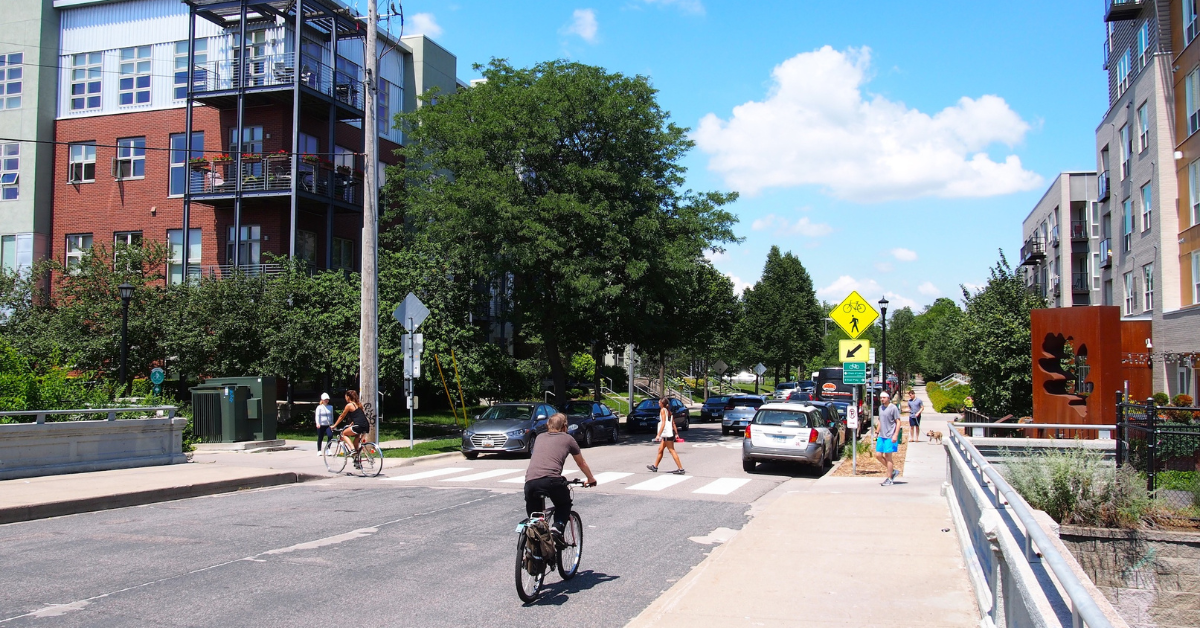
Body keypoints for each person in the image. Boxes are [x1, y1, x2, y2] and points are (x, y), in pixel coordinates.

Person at [524, 413, 598, 535]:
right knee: (564, 504)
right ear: (565, 427)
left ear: (548, 425)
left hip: (530, 482)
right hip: (552, 481)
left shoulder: (539, 437)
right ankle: (557, 528)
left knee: (535, 520)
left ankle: (533, 550)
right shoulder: (568, 438)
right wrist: (590, 478)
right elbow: (581, 463)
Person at [330, 390, 370, 465]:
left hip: (359, 425)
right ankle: (357, 461)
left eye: (345, 396)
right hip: (366, 425)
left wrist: (334, 425)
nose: (345, 398)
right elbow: (359, 417)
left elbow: (342, 416)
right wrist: (352, 424)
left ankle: (352, 450)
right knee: (357, 439)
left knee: (344, 434)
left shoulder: (349, 405)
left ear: (348, 397)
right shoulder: (359, 404)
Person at [647, 397, 685, 475]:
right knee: (660, 449)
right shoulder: (669, 411)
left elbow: (663, 423)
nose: (658, 403)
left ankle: (681, 469)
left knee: (672, 450)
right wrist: (676, 433)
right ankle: (655, 466)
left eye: (659, 402)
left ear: (662, 404)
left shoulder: (663, 411)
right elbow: (673, 423)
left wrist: (658, 435)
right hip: (668, 434)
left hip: (666, 434)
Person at [875, 392, 900, 486]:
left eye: (884, 398)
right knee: (878, 455)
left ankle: (889, 478)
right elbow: (880, 421)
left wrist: (895, 435)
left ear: (888, 398)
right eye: (881, 398)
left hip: (890, 436)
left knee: (888, 457)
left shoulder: (893, 408)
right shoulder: (880, 408)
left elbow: (898, 422)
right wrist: (877, 432)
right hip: (882, 436)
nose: (882, 399)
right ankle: (893, 471)